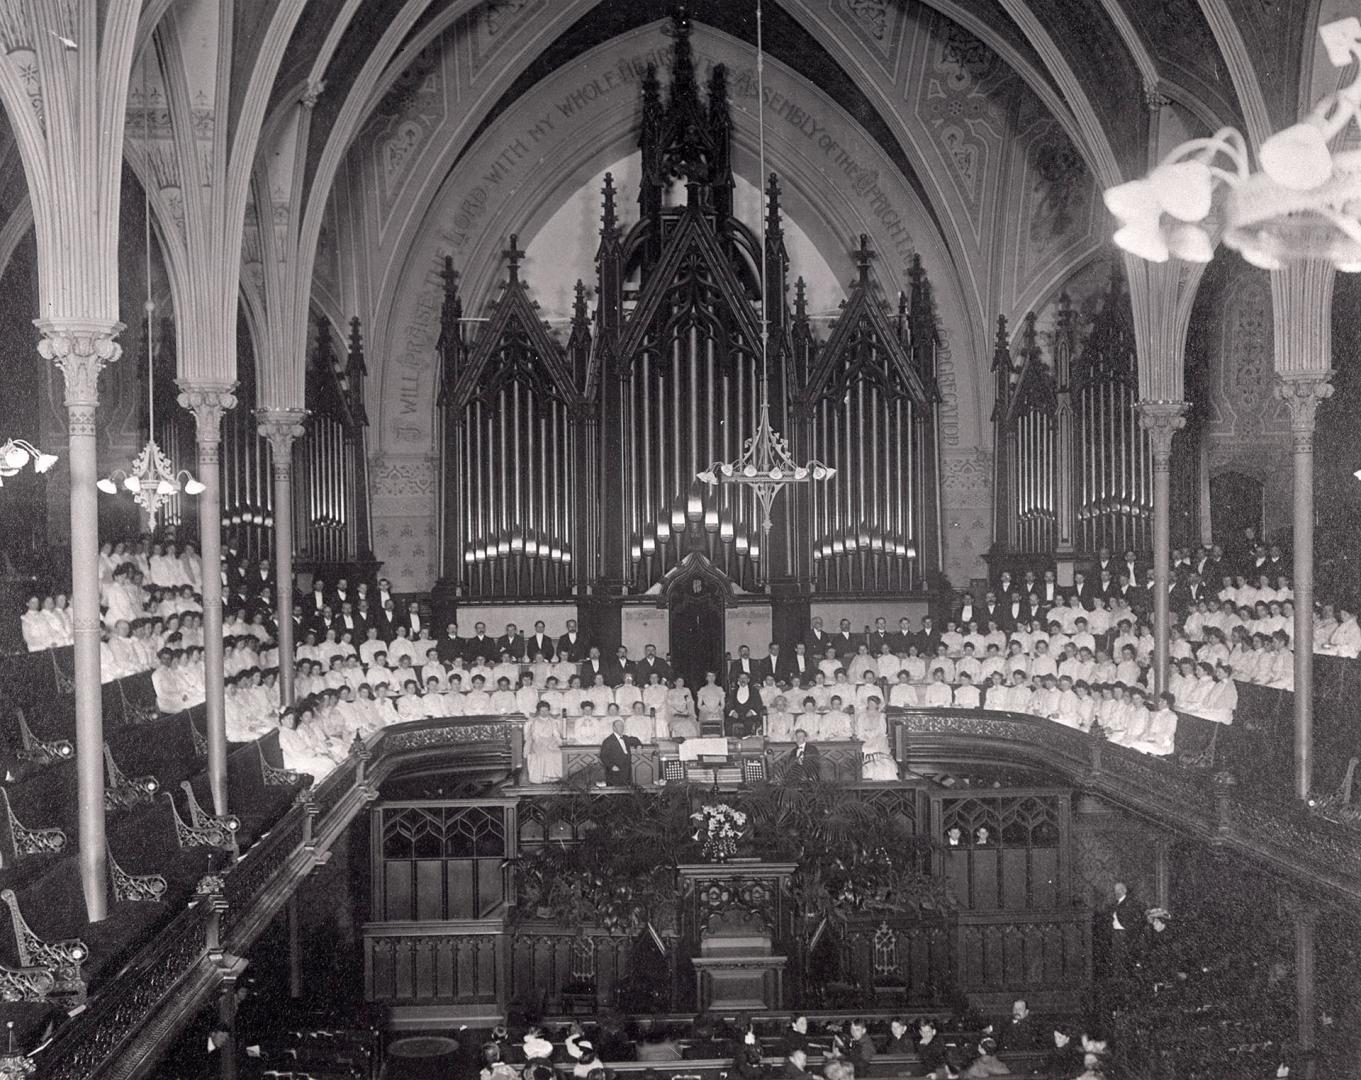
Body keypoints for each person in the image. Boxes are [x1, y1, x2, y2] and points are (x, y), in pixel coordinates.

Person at [523, 701, 563, 785]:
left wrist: (559, 742)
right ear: (538, 711)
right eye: (542, 711)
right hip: (539, 742)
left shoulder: (552, 721)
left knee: (558, 753)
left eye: (546, 710)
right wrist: (543, 742)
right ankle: (545, 777)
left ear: (549, 711)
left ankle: (555, 776)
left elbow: (556, 734)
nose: (544, 713)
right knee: (545, 753)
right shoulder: (535, 721)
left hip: (552, 741)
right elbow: (535, 735)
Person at [600, 717, 640, 785]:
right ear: (614, 728)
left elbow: (635, 740)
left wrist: (639, 745)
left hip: (627, 772)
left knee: (627, 791)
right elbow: (603, 756)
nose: (621, 728)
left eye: (622, 726)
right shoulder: (608, 741)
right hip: (615, 772)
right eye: (618, 726)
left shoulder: (626, 738)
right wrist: (612, 766)